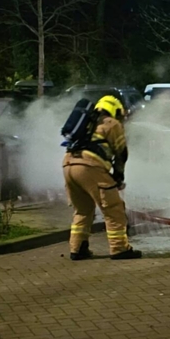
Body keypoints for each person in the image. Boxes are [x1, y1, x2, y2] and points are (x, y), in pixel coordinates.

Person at [63, 95, 140, 260]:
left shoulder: (88, 124)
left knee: (83, 209)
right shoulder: (112, 124)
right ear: (115, 110)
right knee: (113, 208)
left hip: (68, 166)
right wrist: (118, 177)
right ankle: (120, 249)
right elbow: (121, 153)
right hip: (90, 167)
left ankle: (77, 248)